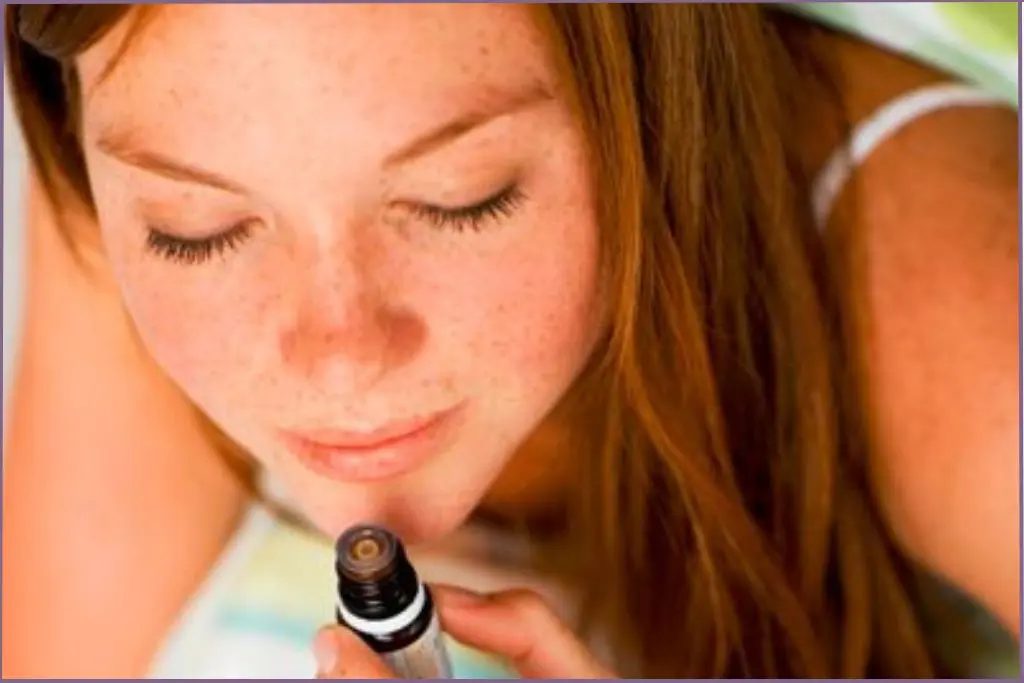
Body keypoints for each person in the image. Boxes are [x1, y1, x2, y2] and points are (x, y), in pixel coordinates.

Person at [2, 3, 1018, 678]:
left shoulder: (975, 324)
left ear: (650, 100)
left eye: (462, 200)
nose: (341, 355)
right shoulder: (151, 129)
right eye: (197, 228)